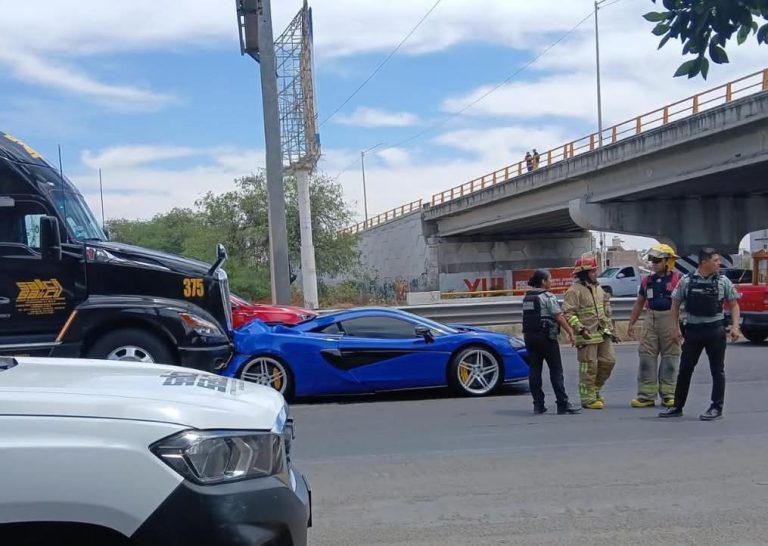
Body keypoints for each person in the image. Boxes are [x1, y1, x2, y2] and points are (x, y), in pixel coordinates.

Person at [659, 247, 741, 421]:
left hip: (715, 331)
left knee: (717, 371)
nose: (719, 263)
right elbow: (675, 304)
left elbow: (734, 304)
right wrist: (675, 329)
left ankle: (716, 407)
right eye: (716, 260)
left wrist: (735, 326)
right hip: (693, 331)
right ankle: (677, 406)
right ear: (704, 262)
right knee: (685, 370)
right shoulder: (687, 281)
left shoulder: (723, 281)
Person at [627, 244, 682, 408]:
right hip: (650, 319)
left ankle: (669, 395)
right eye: (652, 260)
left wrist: (679, 326)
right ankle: (646, 396)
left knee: (670, 358)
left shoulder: (678, 280)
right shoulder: (647, 281)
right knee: (646, 357)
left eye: (657, 260)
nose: (653, 263)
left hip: (670, 319)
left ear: (667, 261)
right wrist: (631, 323)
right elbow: (639, 303)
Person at [522, 269, 581, 415]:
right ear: (543, 281)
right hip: (546, 338)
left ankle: (538, 405)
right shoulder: (547, 297)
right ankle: (562, 403)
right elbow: (558, 316)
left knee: (534, 371)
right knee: (556, 371)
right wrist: (570, 332)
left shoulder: (527, 297)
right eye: (549, 279)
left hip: (530, 337)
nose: (551, 282)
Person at [562, 254, 617, 409]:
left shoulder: (598, 288)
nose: (595, 274)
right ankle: (588, 399)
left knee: (609, 361)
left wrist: (612, 331)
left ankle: (595, 389)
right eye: (592, 271)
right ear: (584, 273)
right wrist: (579, 328)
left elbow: (605, 310)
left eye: (595, 270)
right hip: (586, 335)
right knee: (589, 367)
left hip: (603, 333)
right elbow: (568, 313)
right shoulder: (574, 291)